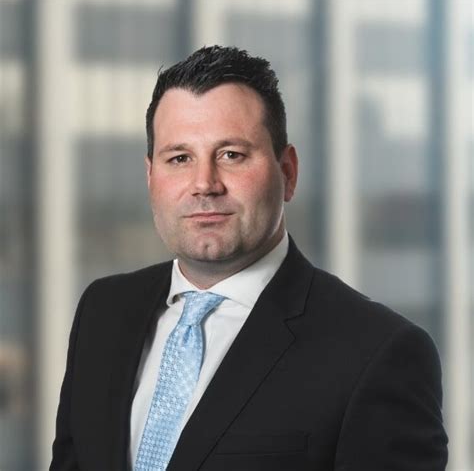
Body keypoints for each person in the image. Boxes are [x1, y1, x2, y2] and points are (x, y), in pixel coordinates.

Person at [50, 45, 448, 471]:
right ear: (151, 176)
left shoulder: (377, 353)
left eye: (231, 155)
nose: (204, 183)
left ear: (288, 172)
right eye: (180, 158)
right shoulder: (103, 313)